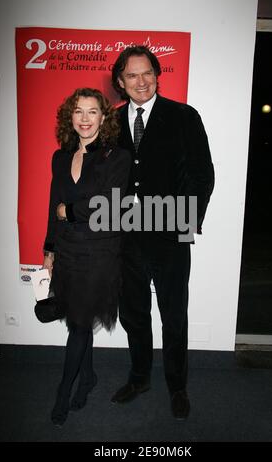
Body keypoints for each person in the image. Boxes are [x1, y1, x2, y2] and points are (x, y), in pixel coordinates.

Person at [111, 46, 214, 419]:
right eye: (132, 76)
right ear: (120, 83)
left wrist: (185, 226)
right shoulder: (111, 121)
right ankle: (139, 377)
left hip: (170, 235)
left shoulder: (184, 117)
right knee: (133, 313)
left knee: (174, 314)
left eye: (147, 73)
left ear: (157, 75)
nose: (141, 81)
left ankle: (177, 386)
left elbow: (203, 175)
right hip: (125, 237)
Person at [42, 87, 131, 426]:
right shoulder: (60, 156)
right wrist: (49, 248)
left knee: (79, 324)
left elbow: (111, 207)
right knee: (80, 317)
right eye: (78, 111)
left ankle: (64, 392)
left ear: (104, 118)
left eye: (92, 111)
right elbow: (54, 205)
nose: (84, 118)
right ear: (71, 116)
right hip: (67, 250)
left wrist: (71, 212)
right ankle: (89, 377)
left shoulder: (116, 157)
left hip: (100, 252)